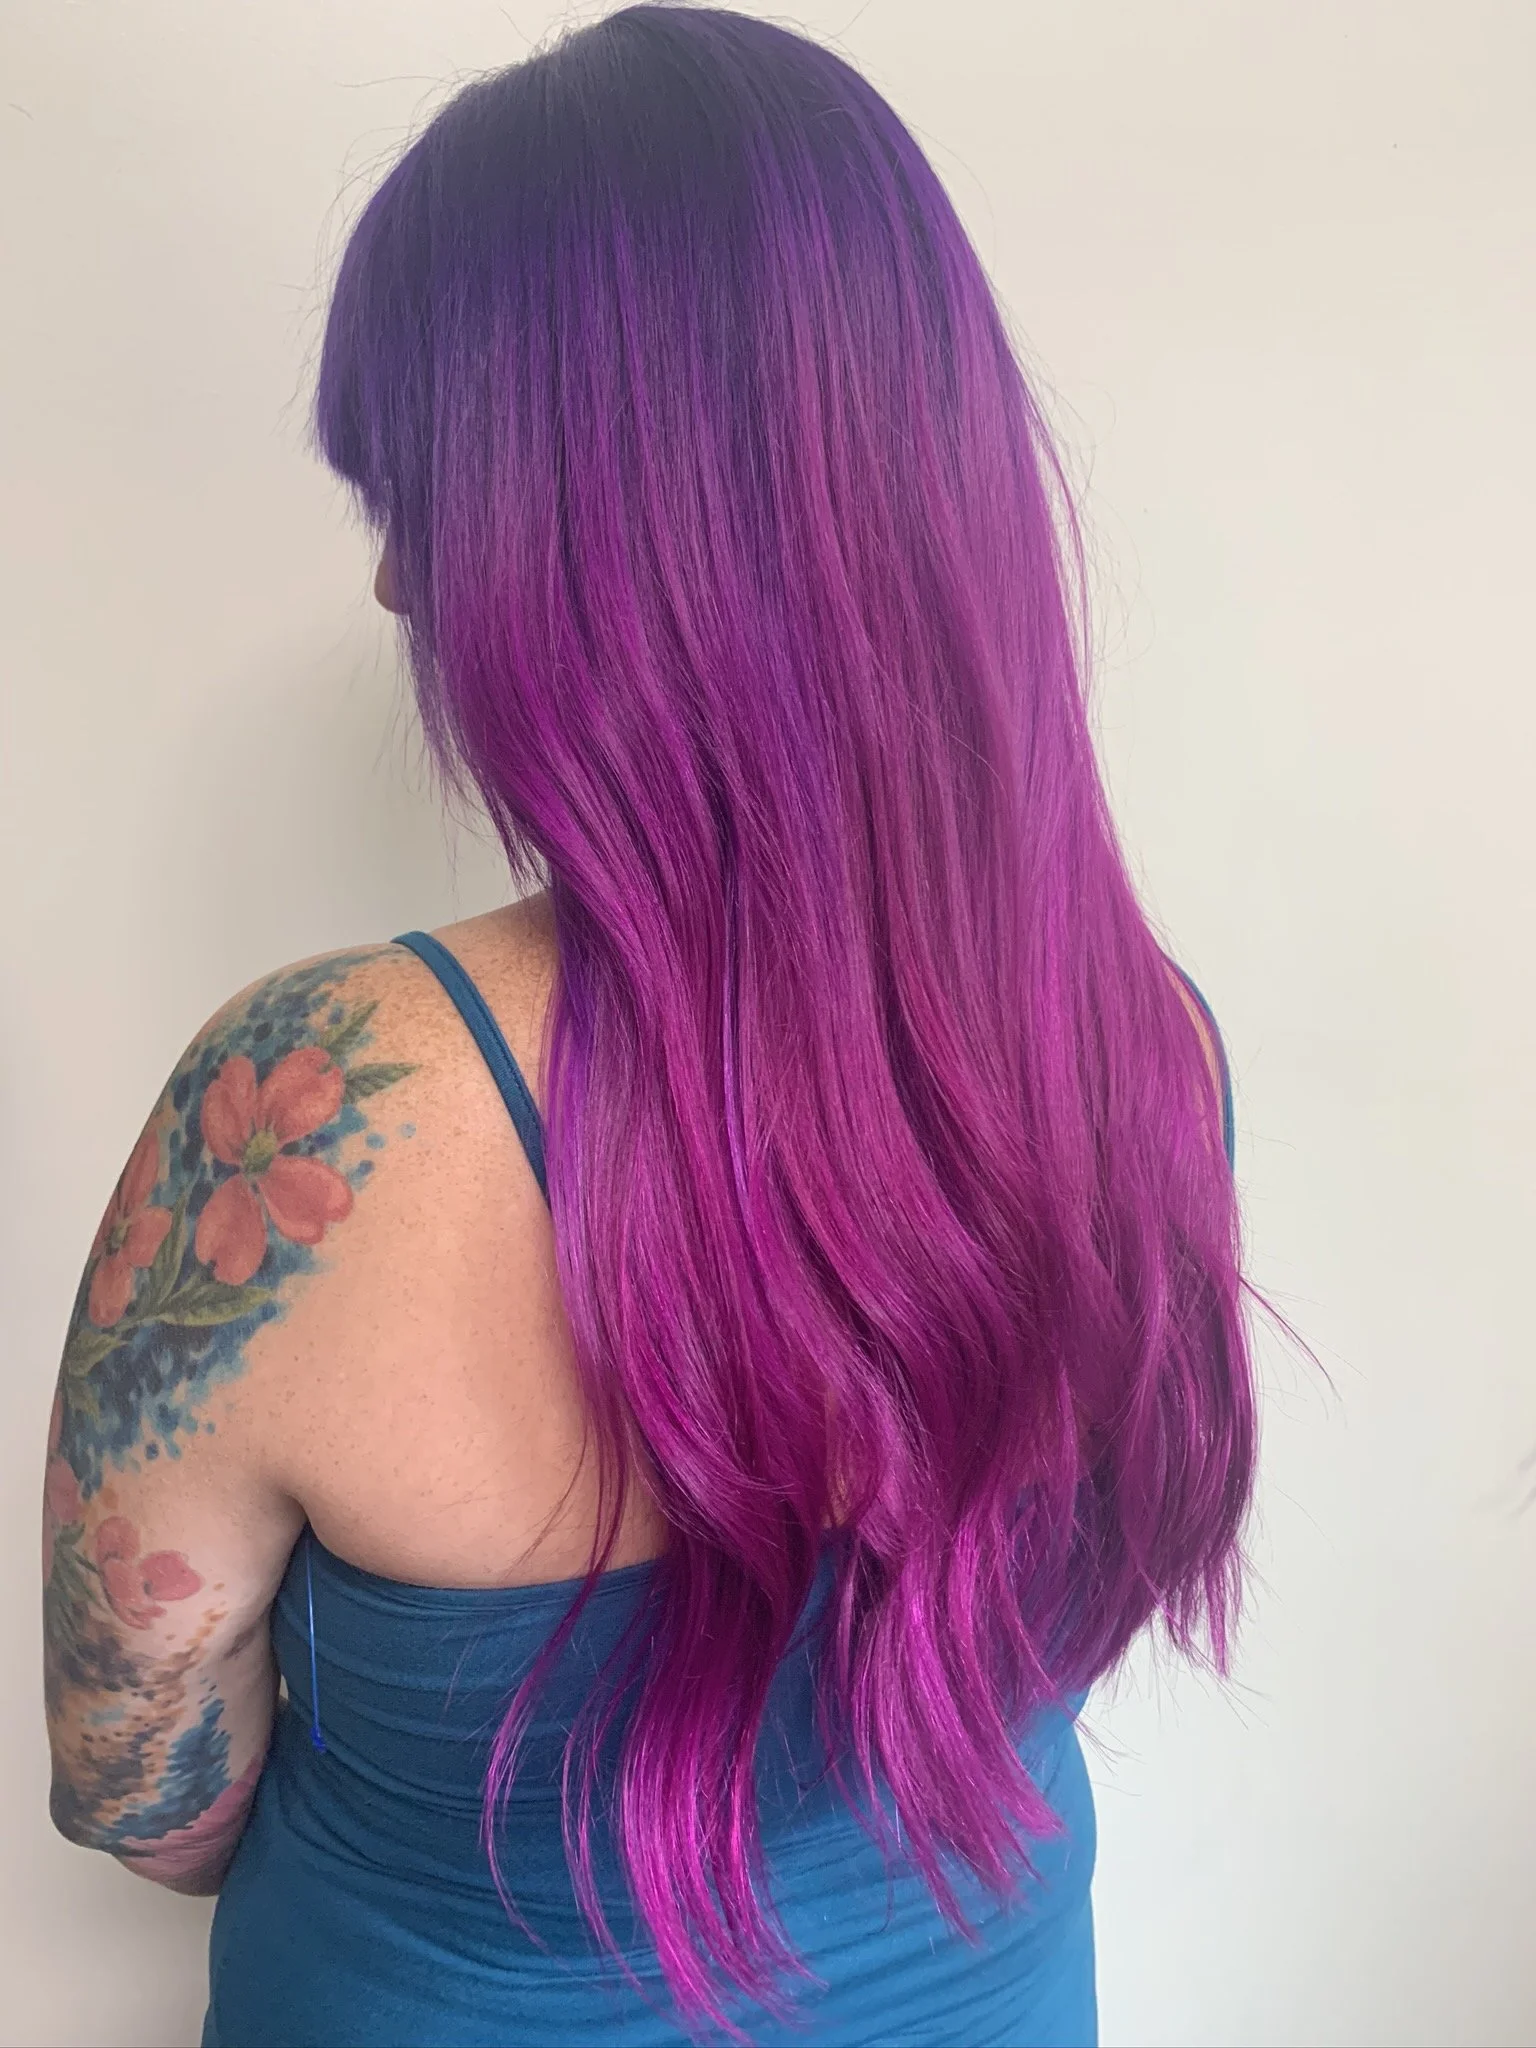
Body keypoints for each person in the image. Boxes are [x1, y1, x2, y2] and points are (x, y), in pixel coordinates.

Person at [41, 8, 1253, 2043]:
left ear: (568, 540)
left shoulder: (303, 1127)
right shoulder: (1145, 1044)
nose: (401, 593)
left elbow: (136, 1786)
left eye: (415, 499)